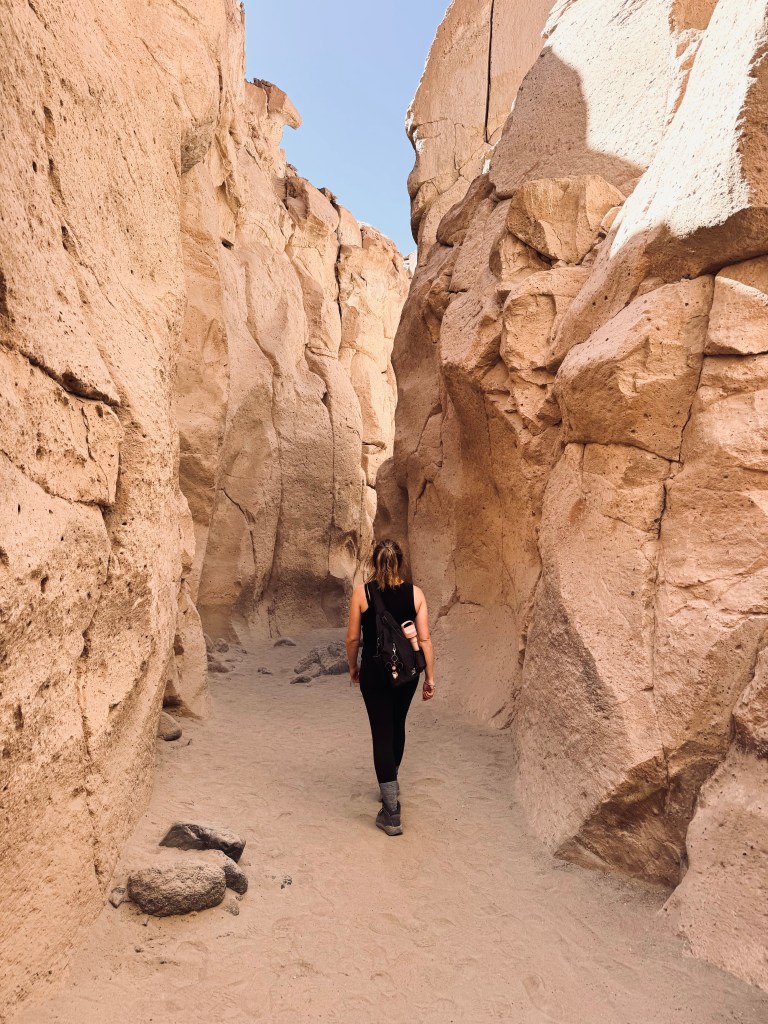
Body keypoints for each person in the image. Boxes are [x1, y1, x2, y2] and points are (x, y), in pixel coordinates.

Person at [346, 539, 435, 836]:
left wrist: (353, 667)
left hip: (374, 671)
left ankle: (391, 811)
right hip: (406, 674)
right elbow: (423, 640)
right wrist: (430, 677)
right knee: (397, 726)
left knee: (381, 732)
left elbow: (352, 639)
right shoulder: (416, 594)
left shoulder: (362, 593)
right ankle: (391, 786)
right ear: (400, 563)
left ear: (374, 562)